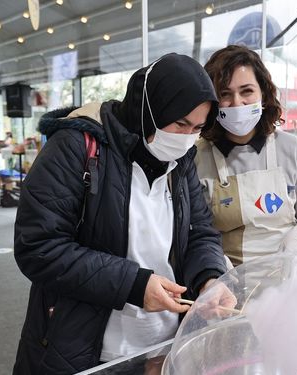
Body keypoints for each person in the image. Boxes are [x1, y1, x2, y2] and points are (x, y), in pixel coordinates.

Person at [12, 53, 235, 374]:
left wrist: (210, 279)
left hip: (162, 345)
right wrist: (134, 284)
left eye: (198, 128)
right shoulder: (77, 147)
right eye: (180, 123)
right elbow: (38, 246)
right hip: (87, 347)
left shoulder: (181, 160)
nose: (186, 138)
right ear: (149, 109)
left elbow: (200, 231)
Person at [194, 45, 297, 266]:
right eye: (225, 94)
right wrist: (212, 267)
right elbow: (191, 232)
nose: (237, 103)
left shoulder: (294, 150)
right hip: (226, 284)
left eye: (246, 91)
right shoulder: (197, 158)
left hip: (288, 278)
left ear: (263, 94)